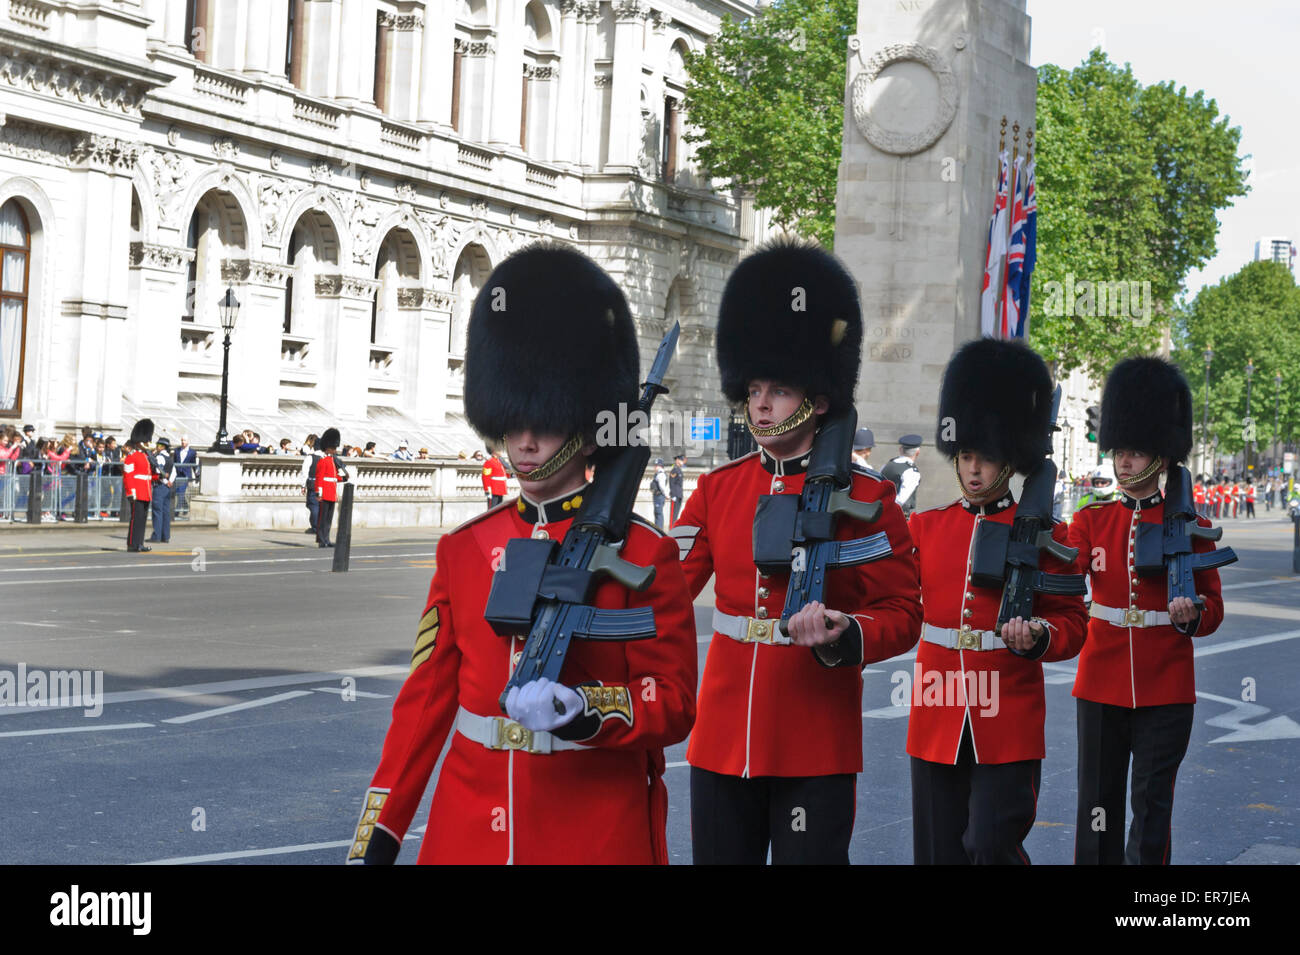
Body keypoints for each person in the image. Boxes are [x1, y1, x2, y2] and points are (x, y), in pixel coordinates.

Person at [348, 243, 697, 865]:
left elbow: (671, 701)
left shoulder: (645, 552)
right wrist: (380, 832)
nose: (527, 442)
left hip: (591, 832)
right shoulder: (465, 548)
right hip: (469, 834)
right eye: (514, 424)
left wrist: (585, 707)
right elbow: (425, 704)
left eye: (546, 423)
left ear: (585, 426)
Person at [672, 238, 922, 865]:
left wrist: (848, 630)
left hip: (816, 737)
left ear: (817, 395)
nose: (759, 403)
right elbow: (660, 586)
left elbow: (903, 611)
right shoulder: (717, 489)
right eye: (753, 387)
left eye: (779, 389)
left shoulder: (869, 497)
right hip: (724, 737)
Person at [906, 338, 1088, 865]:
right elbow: (890, 599)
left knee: (990, 848)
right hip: (937, 710)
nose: (974, 470)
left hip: (1006, 715)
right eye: (966, 456)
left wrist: (1040, 637)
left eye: (986, 457)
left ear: (1010, 459)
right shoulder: (926, 527)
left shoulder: (1046, 532)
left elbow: (1072, 622)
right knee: (939, 854)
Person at [1069, 357, 1227, 866]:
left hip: (1165, 682)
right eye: (1120, 452)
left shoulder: (1192, 522)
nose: (1124, 463)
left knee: (1152, 806)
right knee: (1098, 804)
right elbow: (1068, 585)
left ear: (1160, 456)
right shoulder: (1090, 519)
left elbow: (1214, 606)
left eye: (1136, 453)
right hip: (1101, 680)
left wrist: (1192, 614)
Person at [122, 419, 154, 553]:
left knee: (142, 519)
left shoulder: (146, 456)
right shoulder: (131, 456)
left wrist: (160, 476)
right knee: (136, 519)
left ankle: (139, 543)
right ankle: (132, 544)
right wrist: (131, 492)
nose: (147, 443)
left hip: (145, 491)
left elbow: (148, 474)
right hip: (137, 491)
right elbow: (128, 475)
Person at [311, 428, 346, 548]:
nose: (335, 450)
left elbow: (335, 477)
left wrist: (344, 478)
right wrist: (318, 493)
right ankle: (321, 540)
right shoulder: (323, 461)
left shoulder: (333, 461)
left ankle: (327, 538)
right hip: (325, 492)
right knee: (322, 518)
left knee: (328, 519)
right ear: (328, 448)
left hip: (332, 493)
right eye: (333, 448)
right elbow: (319, 477)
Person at [881, 435, 923, 516]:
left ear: (900, 449)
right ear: (917, 452)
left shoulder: (887, 465)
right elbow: (901, 500)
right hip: (899, 516)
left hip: (881, 512)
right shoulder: (911, 472)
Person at [147, 437, 176, 544]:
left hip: (160, 486)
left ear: (162, 446)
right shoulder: (170, 457)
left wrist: (164, 481)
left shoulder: (160, 457)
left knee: (157, 512)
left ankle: (156, 536)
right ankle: (165, 536)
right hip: (167, 487)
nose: (157, 447)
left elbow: (158, 471)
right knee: (165, 512)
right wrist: (170, 482)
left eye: (158, 445)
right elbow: (174, 472)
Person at [299, 433, 320, 535]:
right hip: (324, 484)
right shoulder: (328, 457)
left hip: (313, 483)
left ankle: (315, 527)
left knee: (313, 505)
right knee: (320, 506)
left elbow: (304, 472)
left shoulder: (311, 457)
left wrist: (303, 486)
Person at [650, 458, 669, 529]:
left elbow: (662, 487)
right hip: (657, 496)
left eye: (656, 465)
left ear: (660, 466)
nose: (654, 467)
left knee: (658, 513)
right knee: (657, 512)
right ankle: (657, 528)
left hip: (659, 496)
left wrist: (666, 495)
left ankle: (659, 529)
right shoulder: (658, 474)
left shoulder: (661, 474)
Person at [668, 453, 685, 526]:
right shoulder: (674, 470)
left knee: (676, 514)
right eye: (681, 460)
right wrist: (673, 495)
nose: (682, 462)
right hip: (675, 495)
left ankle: (674, 527)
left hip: (679, 495)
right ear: (677, 460)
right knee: (673, 515)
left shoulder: (679, 470)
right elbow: (672, 483)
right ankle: (671, 528)